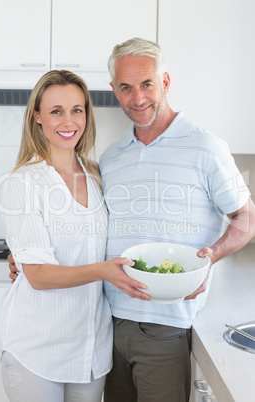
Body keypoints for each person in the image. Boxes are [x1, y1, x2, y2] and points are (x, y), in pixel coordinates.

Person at [97, 38, 255, 402]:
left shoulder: (205, 147)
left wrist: (210, 256)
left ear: (165, 82)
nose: (137, 98)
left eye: (147, 84)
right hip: (105, 322)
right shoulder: (111, 157)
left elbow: (246, 217)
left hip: (165, 324)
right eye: (126, 88)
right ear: (114, 91)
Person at [0, 69, 149, 402]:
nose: (69, 121)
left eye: (76, 110)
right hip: (37, 350)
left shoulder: (96, 176)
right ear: (37, 116)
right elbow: (36, 275)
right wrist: (101, 270)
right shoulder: (23, 183)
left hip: (90, 350)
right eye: (56, 111)